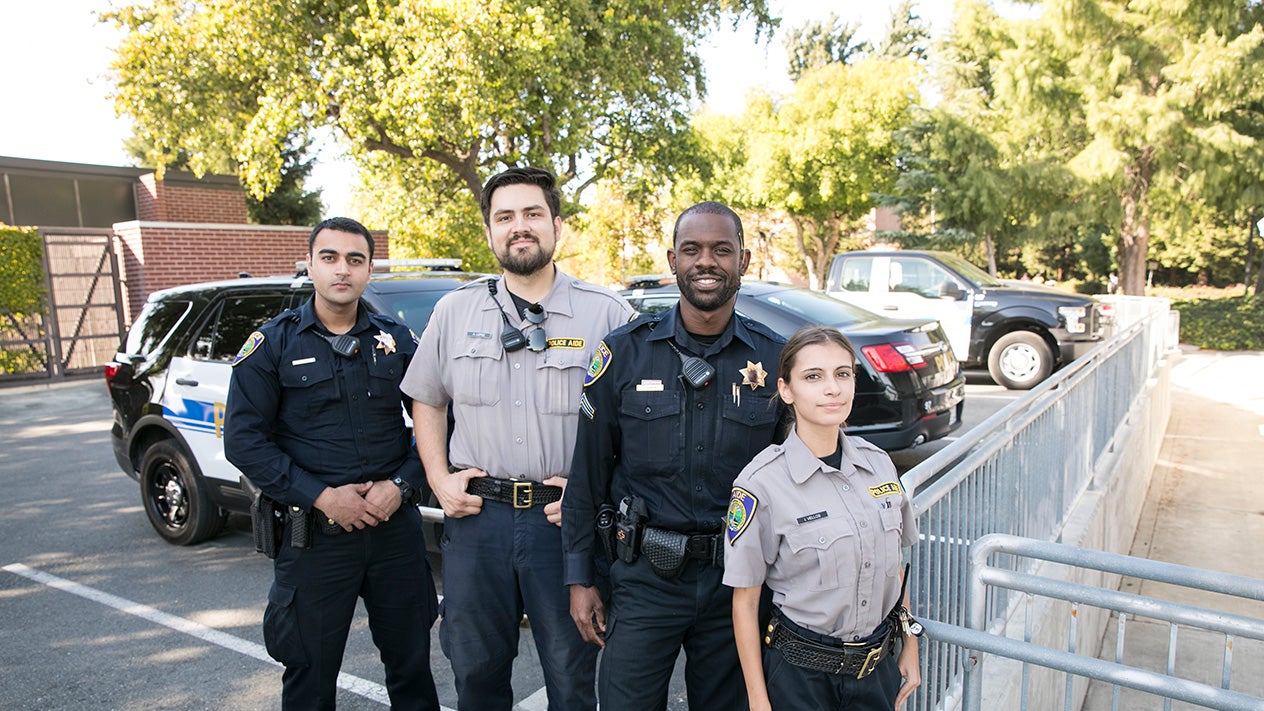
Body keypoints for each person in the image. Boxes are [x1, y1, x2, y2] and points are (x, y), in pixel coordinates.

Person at [401, 166, 635, 711]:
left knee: (571, 676)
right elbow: (428, 398)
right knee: (475, 673)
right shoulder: (454, 311)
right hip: (478, 522)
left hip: (564, 528)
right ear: (490, 232)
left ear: (557, 226)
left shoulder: (607, 314)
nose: (519, 227)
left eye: (532, 214)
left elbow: (636, 426)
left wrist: (590, 494)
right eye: (505, 217)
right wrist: (437, 479)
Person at [562, 201, 787, 710]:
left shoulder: (775, 359)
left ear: (744, 261)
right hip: (643, 581)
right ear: (672, 260)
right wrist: (580, 578)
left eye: (721, 250)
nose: (706, 261)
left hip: (739, 581)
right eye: (692, 249)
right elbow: (588, 473)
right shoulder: (622, 354)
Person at [224, 216, 439, 710]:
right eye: (330, 258)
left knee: (411, 669)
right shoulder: (273, 344)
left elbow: (434, 426)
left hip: (393, 534)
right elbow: (243, 440)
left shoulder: (396, 340)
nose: (342, 269)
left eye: (355, 260)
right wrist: (321, 497)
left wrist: (402, 488)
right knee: (309, 678)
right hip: (316, 538)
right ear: (310, 265)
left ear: (367, 271)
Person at [724, 325, 921, 711]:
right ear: (786, 390)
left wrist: (910, 644)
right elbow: (744, 603)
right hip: (802, 680)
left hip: (876, 671)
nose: (833, 388)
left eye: (842, 374)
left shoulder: (879, 465)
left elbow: (896, 569)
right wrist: (758, 699)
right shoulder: (760, 484)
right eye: (813, 377)